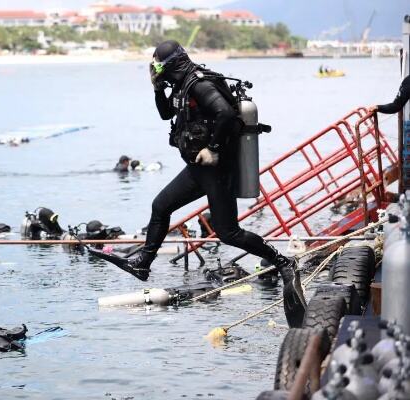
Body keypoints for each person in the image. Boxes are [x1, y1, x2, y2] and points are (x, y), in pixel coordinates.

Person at [89, 40, 306, 313]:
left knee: (229, 232)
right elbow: (165, 113)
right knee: (161, 206)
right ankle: (142, 264)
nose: (157, 71)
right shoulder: (181, 85)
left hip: (215, 168)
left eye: (158, 67)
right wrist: (157, 88)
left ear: (171, 65)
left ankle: (283, 261)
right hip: (197, 169)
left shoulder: (200, 84)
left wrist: (212, 148)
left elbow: (226, 114)